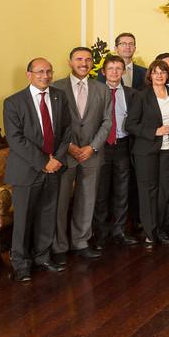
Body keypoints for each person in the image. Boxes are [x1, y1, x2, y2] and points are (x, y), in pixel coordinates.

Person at [3, 58, 72, 282]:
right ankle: (21, 264)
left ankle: (42, 257)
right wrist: (44, 162)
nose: (46, 76)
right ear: (29, 74)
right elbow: (15, 139)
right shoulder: (13, 102)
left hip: (54, 168)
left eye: (49, 71)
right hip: (27, 170)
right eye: (40, 72)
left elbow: (67, 131)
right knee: (23, 220)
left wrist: (57, 159)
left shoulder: (59, 97)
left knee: (47, 215)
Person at [50, 47, 111, 263]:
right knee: (61, 201)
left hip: (91, 154)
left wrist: (92, 147)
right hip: (65, 154)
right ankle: (59, 246)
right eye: (79, 59)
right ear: (70, 62)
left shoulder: (101, 89)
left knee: (87, 199)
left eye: (87, 59)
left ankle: (81, 242)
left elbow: (107, 122)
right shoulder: (56, 87)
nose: (83, 63)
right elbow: (53, 123)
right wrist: (70, 147)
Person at [127, 60, 169, 248]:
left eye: (163, 72)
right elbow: (131, 125)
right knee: (148, 191)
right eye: (155, 72)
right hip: (146, 150)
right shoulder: (141, 95)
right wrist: (154, 131)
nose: (159, 75)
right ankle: (150, 232)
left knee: (164, 191)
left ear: (168, 75)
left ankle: (161, 229)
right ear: (149, 75)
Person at [95, 55, 138, 247]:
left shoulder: (132, 94)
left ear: (124, 71)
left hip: (122, 145)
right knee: (101, 191)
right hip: (101, 146)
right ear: (103, 72)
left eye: (118, 68)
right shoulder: (95, 92)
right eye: (110, 68)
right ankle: (101, 234)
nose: (114, 72)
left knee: (122, 190)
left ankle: (120, 231)